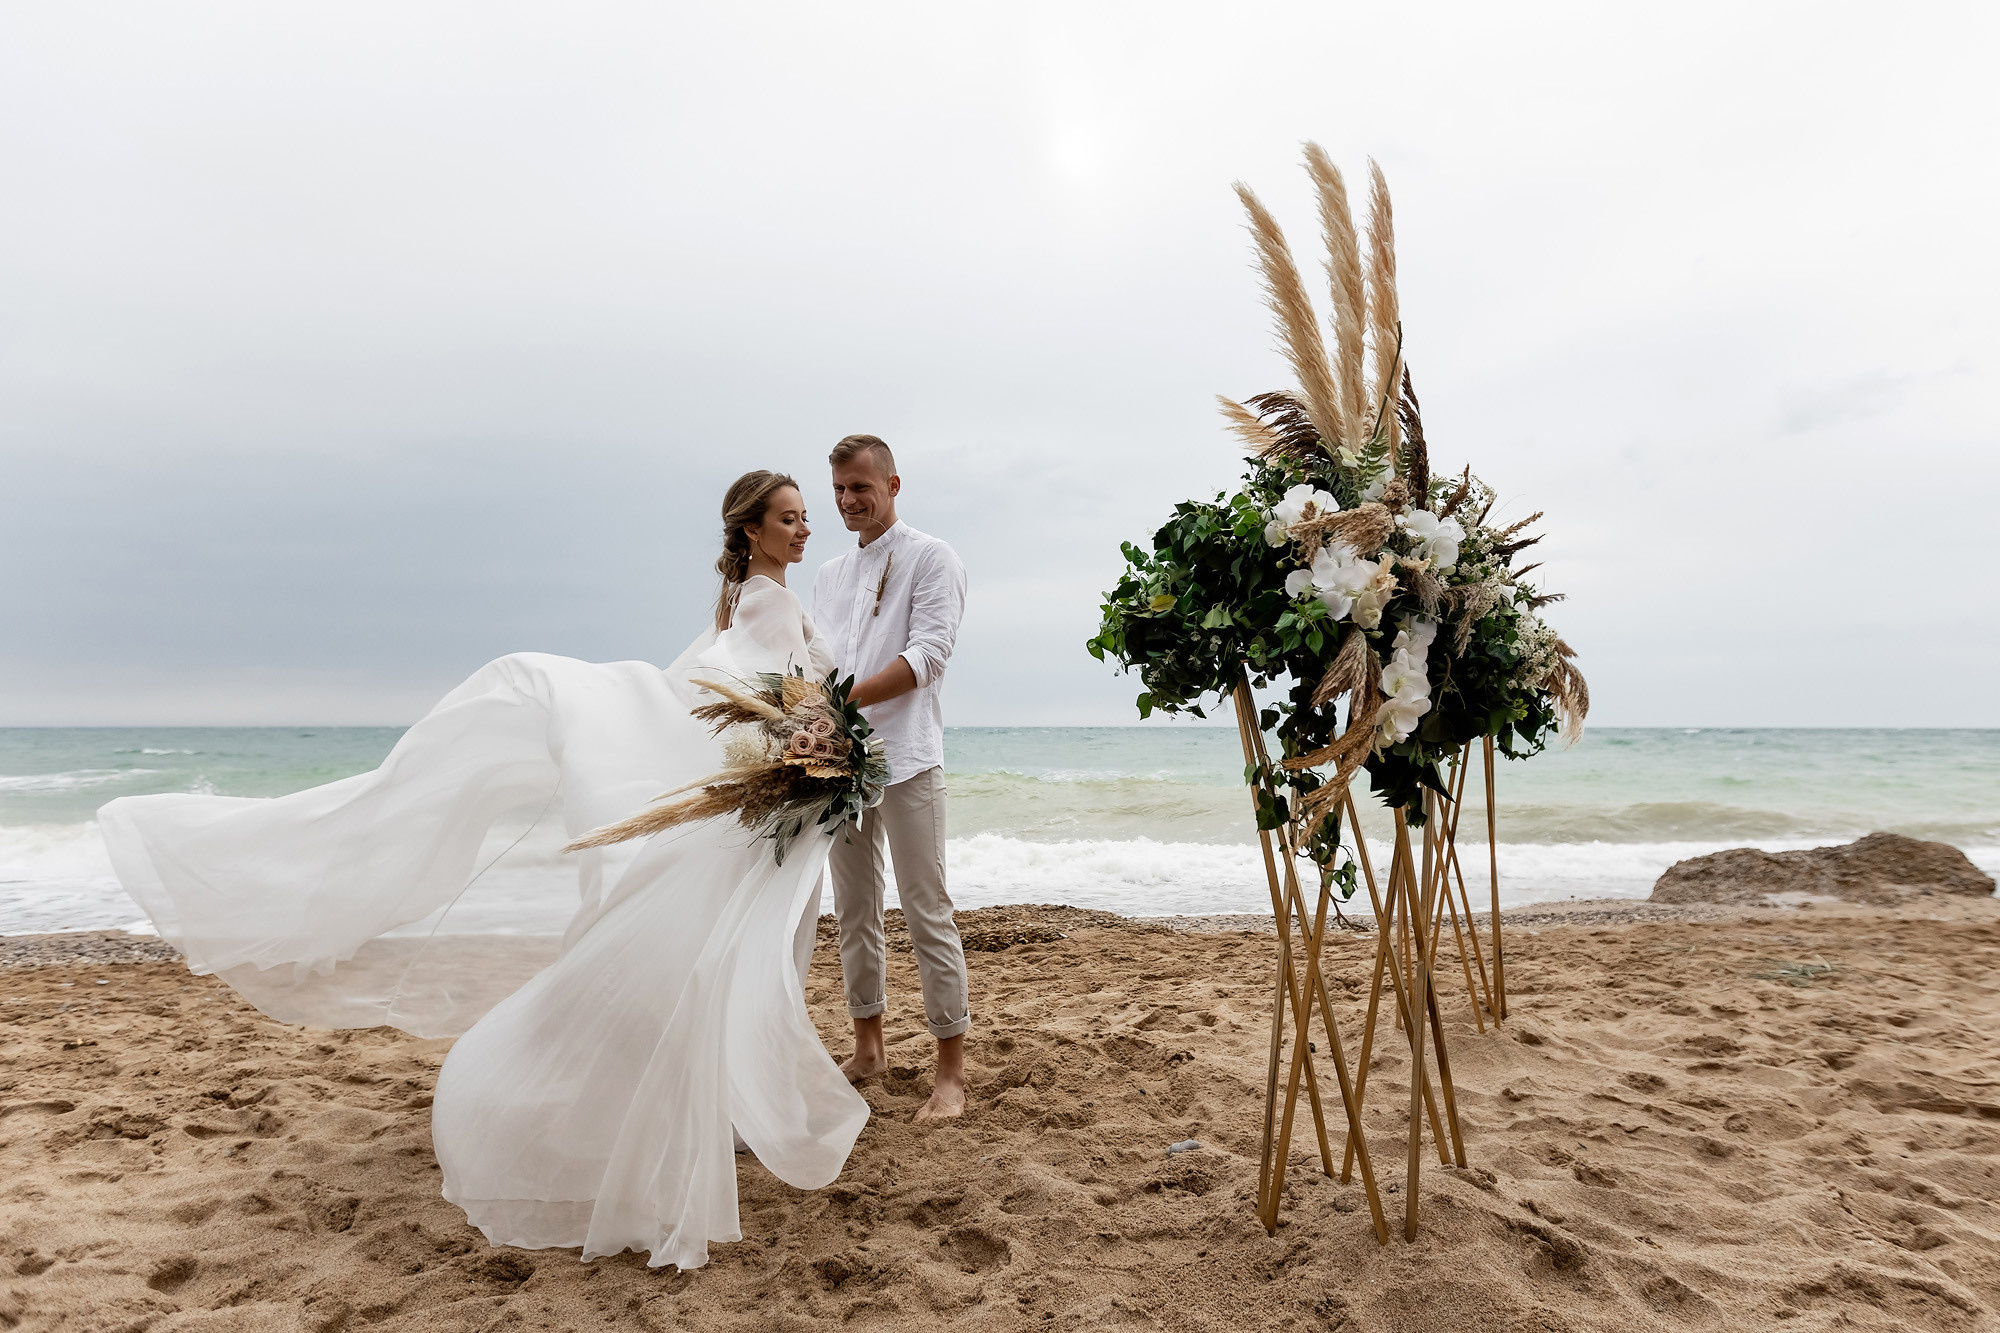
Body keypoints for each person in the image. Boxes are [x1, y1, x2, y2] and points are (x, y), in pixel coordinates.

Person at [97, 471, 867, 1272]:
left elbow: (752, 702)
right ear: (751, 531)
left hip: (777, 801)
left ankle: (720, 1101)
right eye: (788, 519)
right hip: (778, 803)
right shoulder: (769, 603)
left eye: (805, 517)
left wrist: (812, 751)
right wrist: (824, 747)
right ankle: (718, 1103)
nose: (803, 529)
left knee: (728, 951)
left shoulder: (747, 599)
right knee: (746, 951)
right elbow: (782, 706)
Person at [810, 434, 971, 1121]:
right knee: (853, 912)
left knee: (927, 911)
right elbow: (820, 663)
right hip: (840, 766)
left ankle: (950, 1072)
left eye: (861, 487)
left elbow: (929, 655)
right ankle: (869, 1049)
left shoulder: (933, 557)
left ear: (893, 485)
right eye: (839, 489)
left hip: (907, 759)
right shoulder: (829, 574)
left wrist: (843, 700)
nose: (849, 500)